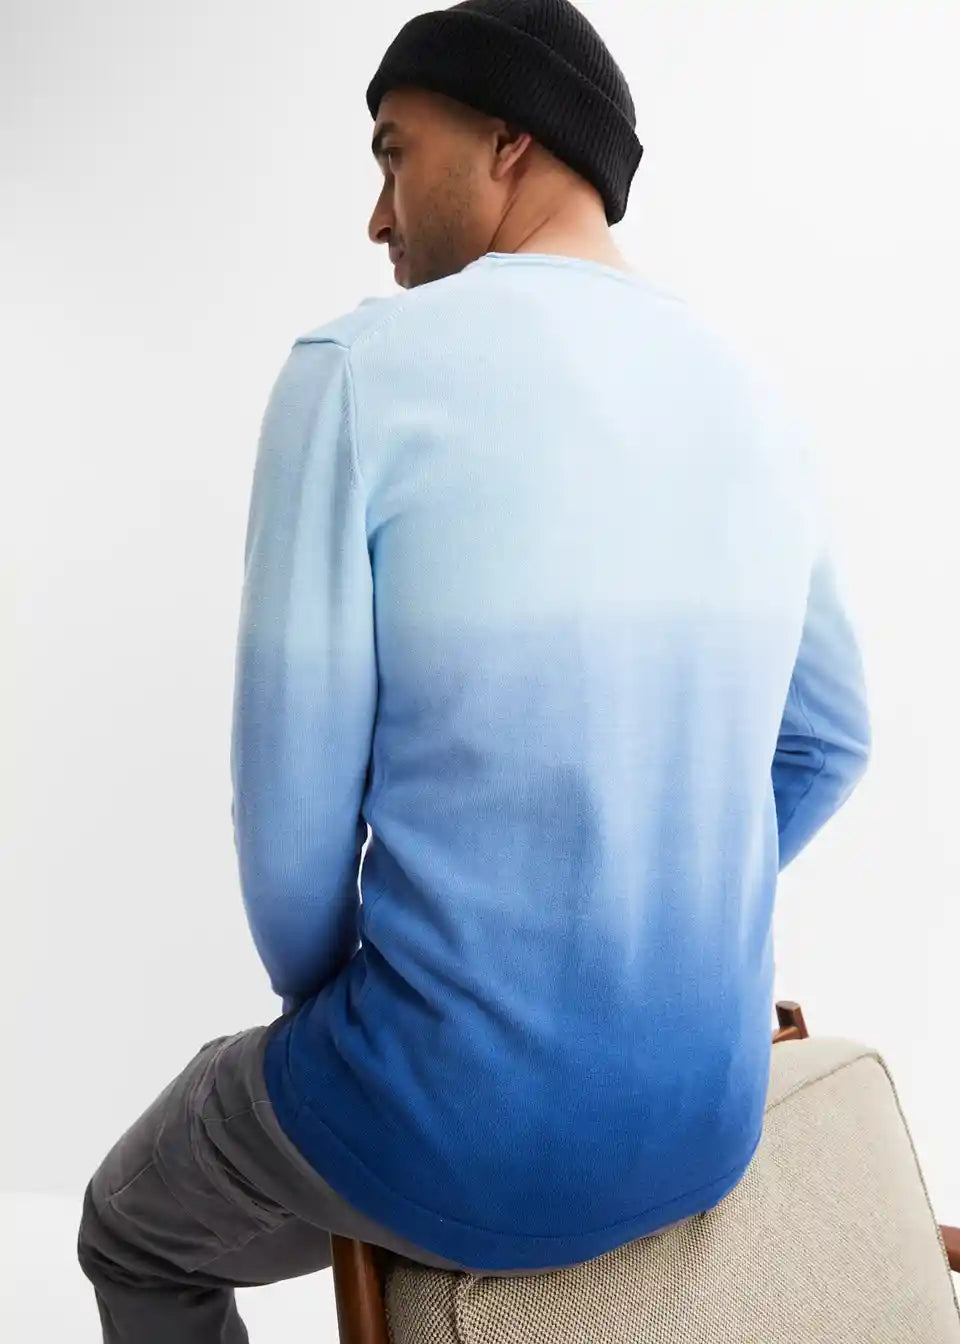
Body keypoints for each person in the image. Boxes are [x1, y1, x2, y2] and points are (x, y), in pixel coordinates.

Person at [76, 1, 872, 1340]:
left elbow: (291, 847)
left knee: (129, 1228)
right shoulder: (751, 396)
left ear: (510, 139)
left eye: (394, 153)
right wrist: (644, 915)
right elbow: (832, 741)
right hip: (708, 1116)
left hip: (456, 1128)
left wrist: (375, 1008)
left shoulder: (355, 372)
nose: (376, 216)